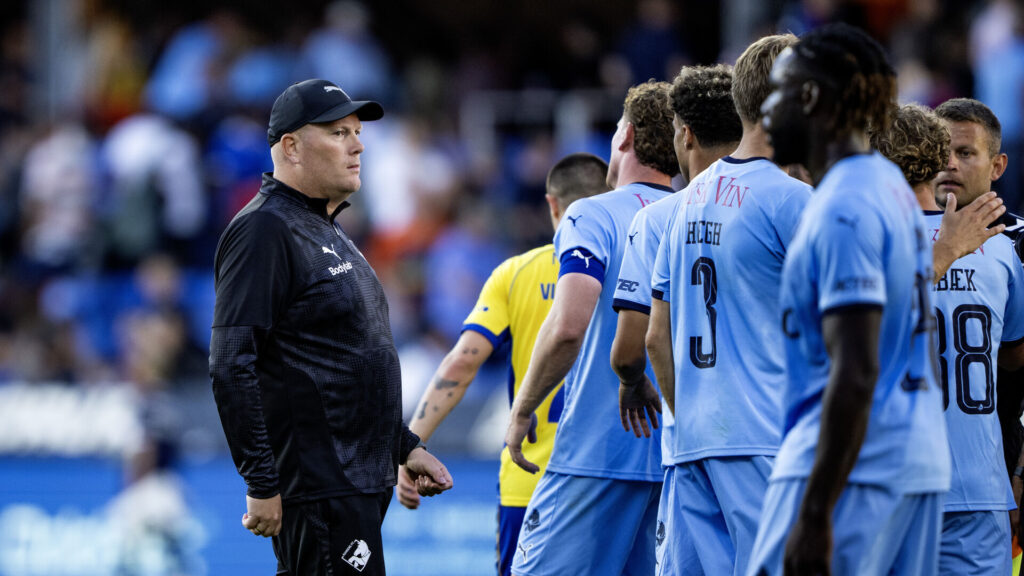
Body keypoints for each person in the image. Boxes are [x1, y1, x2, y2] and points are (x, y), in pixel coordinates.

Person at [209, 79, 453, 576]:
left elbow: (340, 359)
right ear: (291, 147)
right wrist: (261, 482)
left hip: (352, 482)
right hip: (322, 485)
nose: (358, 145)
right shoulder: (264, 229)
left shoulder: (324, 226)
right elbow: (232, 361)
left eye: (357, 133)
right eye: (339, 133)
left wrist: (403, 446)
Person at [748, 24, 951, 575]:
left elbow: (857, 369)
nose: (766, 110)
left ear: (810, 97)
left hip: (852, 465)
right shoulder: (890, 189)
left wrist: (816, 511)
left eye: (778, 91)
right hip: (918, 457)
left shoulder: (843, 204)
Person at [396, 152, 611, 576]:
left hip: (530, 484)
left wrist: (411, 446)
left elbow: (461, 364)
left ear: (552, 205)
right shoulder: (631, 267)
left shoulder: (516, 273)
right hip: (614, 479)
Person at [645, 34, 812, 576]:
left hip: (693, 443)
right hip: (765, 437)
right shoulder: (792, 199)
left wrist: (693, 415)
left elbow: (656, 338)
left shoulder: (685, 201)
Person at [505, 80, 679, 576]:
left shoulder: (591, 214)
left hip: (596, 454)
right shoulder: (691, 215)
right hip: (672, 457)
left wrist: (523, 409)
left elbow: (568, 326)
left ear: (625, 135)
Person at [610, 62, 742, 576]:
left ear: (685, 133)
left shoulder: (660, 218)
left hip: (692, 436)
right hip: (766, 433)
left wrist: (636, 384)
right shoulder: (781, 201)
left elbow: (639, 345)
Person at [911, 98, 1024, 575]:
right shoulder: (886, 232)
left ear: (998, 165)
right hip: (916, 484)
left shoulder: (1015, 246)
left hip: (981, 479)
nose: (949, 164)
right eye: (940, 151)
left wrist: (1019, 469)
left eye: (964, 152)